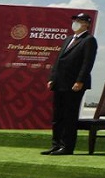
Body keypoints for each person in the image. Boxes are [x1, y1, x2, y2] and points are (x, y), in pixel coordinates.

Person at [42, 12, 98, 156]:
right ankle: (56, 144)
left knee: (69, 116)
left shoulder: (89, 40)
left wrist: (79, 80)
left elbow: (87, 63)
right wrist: (52, 78)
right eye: (75, 20)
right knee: (57, 116)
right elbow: (58, 60)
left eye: (79, 21)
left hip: (74, 84)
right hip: (60, 82)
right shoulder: (68, 39)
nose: (75, 23)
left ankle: (67, 146)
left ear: (86, 24)